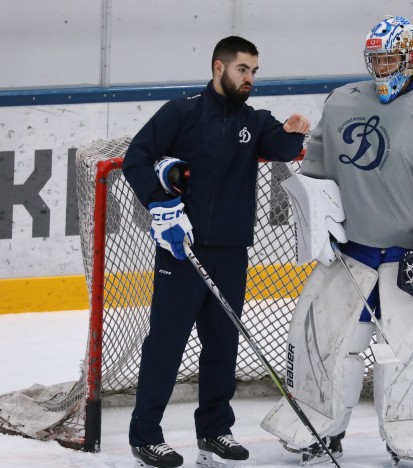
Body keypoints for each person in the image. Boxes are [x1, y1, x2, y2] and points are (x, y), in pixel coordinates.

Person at [261, 15, 413, 465]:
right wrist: (314, 213)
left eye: (391, 58)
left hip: (411, 257)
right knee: (326, 342)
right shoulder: (342, 102)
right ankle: (320, 425)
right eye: (376, 59)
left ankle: (411, 431)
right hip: (351, 252)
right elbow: (318, 169)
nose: (382, 68)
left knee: (406, 352)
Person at [122, 36, 310, 468]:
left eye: (255, 71)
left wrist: (291, 131)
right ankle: (145, 435)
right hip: (182, 250)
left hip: (230, 250)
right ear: (218, 67)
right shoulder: (181, 112)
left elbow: (280, 148)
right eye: (243, 69)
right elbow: (137, 157)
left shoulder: (255, 120)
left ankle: (214, 430)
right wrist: (160, 204)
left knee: (222, 345)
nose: (249, 78)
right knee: (166, 345)